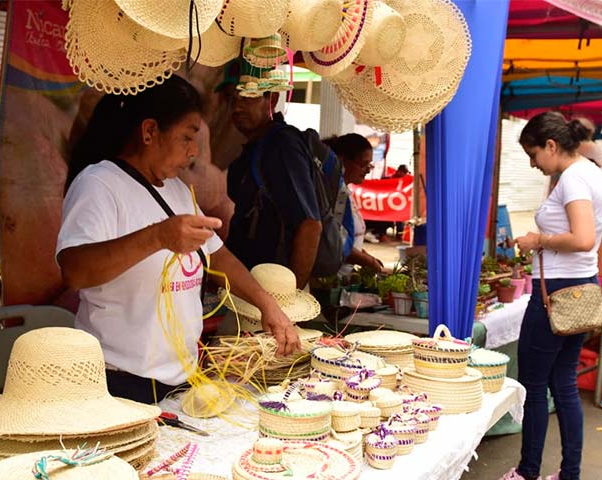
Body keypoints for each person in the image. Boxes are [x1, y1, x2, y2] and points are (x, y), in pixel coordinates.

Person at [56, 75, 300, 405]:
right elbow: (76, 271)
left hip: (179, 378)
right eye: (187, 138)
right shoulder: (99, 185)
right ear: (149, 132)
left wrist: (268, 304)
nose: (194, 151)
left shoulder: (177, 191)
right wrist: (159, 236)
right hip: (120, 382)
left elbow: (218, 255)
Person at [483, 112, 602, 480]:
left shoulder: (572, 178)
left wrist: (538, 239)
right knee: (565, 385)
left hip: (556, 292)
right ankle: (569, 477)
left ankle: (528, 475)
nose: (533, 164)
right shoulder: (592, 172)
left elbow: (584, 237)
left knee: (535, 386)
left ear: (552, 146)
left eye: (534, 154)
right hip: (581, 290)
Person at [225, 83, 322, 289]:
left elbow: (310, 226)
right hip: (253, 288)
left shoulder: (282, 145)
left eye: (248, 97)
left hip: (274, 291)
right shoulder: (256, 147)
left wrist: (288, 299)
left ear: (272, 99)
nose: (237, 108)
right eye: (233, 100)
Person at [322, 134, 386, 275]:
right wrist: (369, 262)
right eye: (364, 164)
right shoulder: (331, 196)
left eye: (370, 164)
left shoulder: (345, 193)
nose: (368, 170)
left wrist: (366, 256)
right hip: (332, 277)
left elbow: (349, 239)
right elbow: (336, 241)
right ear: (343, 161)